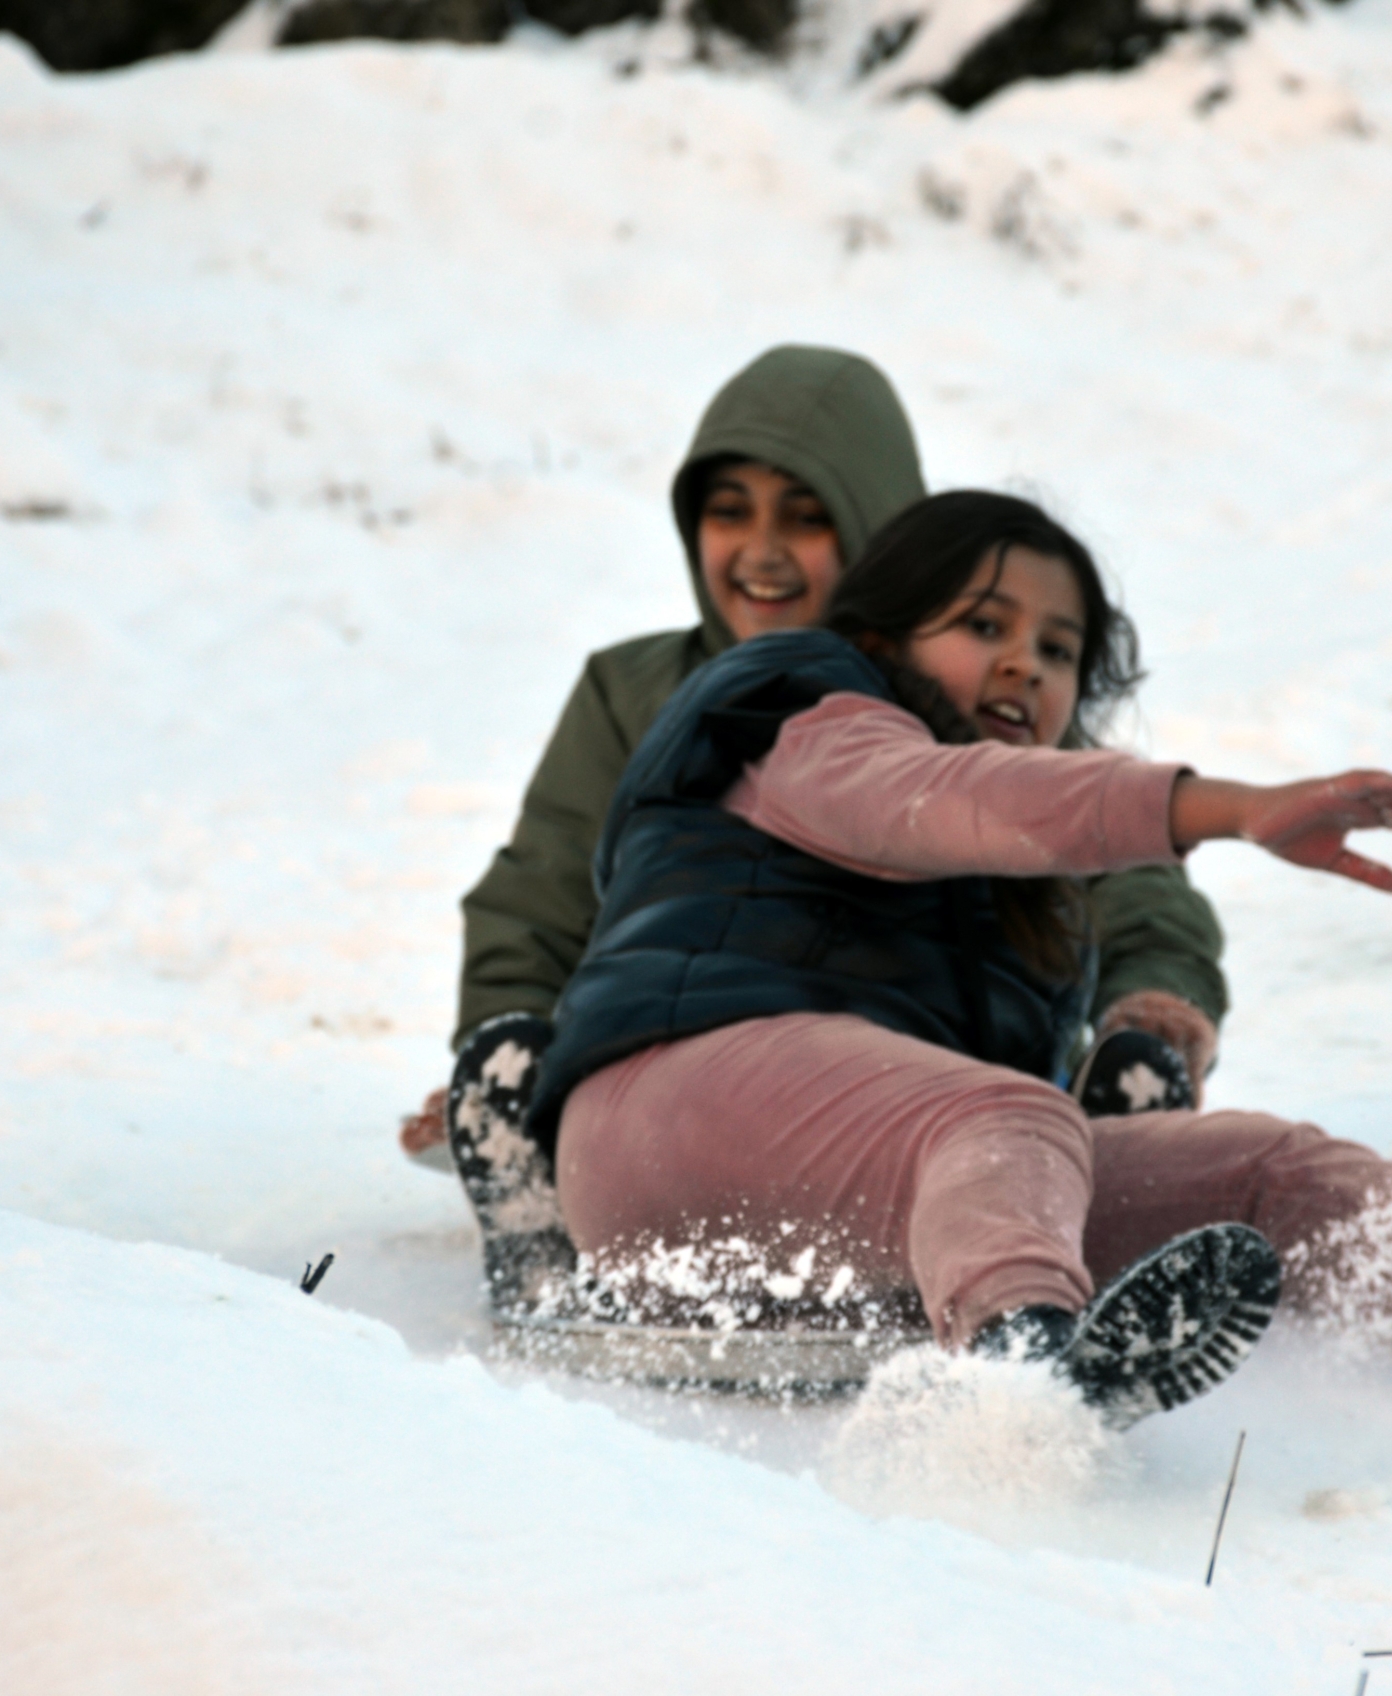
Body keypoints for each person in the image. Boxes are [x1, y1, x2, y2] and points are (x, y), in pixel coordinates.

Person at [518, 490, 1392, 1427]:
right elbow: (954, 804)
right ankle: (1026, 1384)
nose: (1023, 668)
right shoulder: (811, 713)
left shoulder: (1024, 904)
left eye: (1056, 649)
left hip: (852, 1214)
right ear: (881, 633)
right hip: (664, 1126)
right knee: (1003, 1113)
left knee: (1260, 1169)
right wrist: (1228, 809)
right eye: (983, 625)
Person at [422, 348, 1231, 1301]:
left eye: (806, 520)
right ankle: (540, 1220)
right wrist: (518, 1037)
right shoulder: (632, 694)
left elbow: (1133, 883)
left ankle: (1041, 1228)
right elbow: (541, 896)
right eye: (730, 512)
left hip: (906, 1087)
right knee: (522, 1057)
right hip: (685, 1083)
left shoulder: (985, 704)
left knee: (1060, 1108)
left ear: (880, 536)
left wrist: (1152, 1011)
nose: (761, 553)